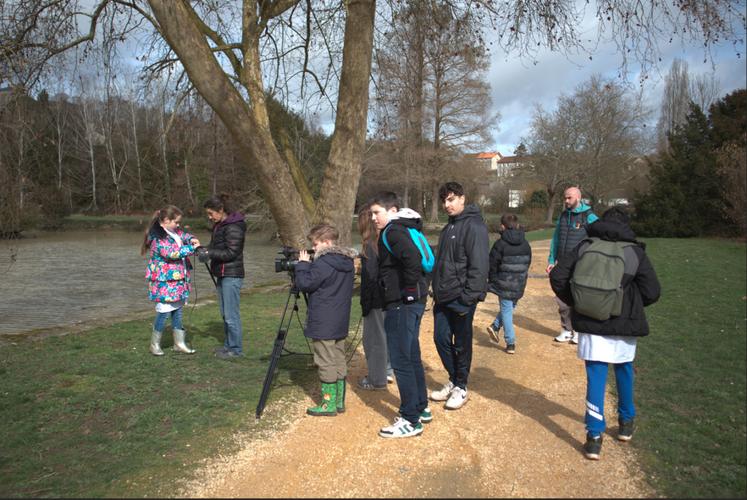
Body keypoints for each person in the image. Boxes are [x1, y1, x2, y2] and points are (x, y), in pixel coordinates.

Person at [549, 207, 661, 460]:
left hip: (591, 324)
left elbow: (558, 276)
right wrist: (627, 303)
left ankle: (594, 437)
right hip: (624, 325)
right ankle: (626, 424)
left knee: (596, 377)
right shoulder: (634, 252)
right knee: (624, 372)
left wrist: (579, 302)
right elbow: (652, 291)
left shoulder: (585, 246)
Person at [370, 192, 431, 438]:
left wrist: (406, 292)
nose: (373, 218)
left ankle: (410, 419)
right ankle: (421, 406)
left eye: (377, 212)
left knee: (401, 360)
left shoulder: (393, 231)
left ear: (392, 210)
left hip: (402, 304)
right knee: (412, 356)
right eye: (371, 214)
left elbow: (413, 259)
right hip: (413, 301)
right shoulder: (405, 229)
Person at [429, 182, 489, 410]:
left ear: (463, 198)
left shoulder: (474, 226)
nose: (447, 205)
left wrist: (469, 297)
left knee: (462, 343)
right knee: (440, 338)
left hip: (461, 298)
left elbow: (480, 265)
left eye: (451, 199)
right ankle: (454, 379)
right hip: (443, 296)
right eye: (444, 200)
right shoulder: (448, 229)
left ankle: (461, 386)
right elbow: (442, 264)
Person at [295, 224, 356, 416]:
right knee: (338, 358)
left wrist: (303, 265)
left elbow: (305, 283)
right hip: (339, 319)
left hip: (323, 320)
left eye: (316, 243)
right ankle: (339, 401)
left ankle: (328, 405)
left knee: (325, 360)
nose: (314, 248)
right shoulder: (347, 262)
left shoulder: (323, 263)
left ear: (327, 242)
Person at [141, 205, 200, 356]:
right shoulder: (157, 238)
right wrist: (192, 249)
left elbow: (184, 235)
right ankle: (154, 345)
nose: (178, 225)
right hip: (164, 282)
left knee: (178, 311)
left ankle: (179, 343)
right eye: (176, 222)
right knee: (164, 312)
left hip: (178, 280)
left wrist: (192, 238)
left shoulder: (174, 231)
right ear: (166, 220)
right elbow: (172, 253)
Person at [546, 186, 598, 344]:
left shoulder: (589, 216)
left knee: (578, 298)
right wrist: (551, 260)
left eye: (569, 198)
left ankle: (579, 332)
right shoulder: (562, 216)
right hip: (562, 264)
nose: (566, 200)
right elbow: (556, 239)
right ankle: (566, 330)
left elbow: (599, 237)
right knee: (562, 298)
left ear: (578, 197)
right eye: (565, 198)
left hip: (580, 265)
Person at [198, 194, 247, 360]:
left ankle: (236, 350)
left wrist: (210, 253)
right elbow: (215, 247)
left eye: (211, 213)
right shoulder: (220, 226)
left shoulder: (234, 227)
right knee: (225, 314)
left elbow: (232, 252)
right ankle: (228, 347)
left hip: (232, 275)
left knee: (231, 315)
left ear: (221, 210)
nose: (210, 217)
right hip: (222, 273)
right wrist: (202, 249)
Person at [356, 203, 395, 391]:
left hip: (376, 301)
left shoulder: (369, 246)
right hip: (387, 300)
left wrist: (367, 304)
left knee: (374, 340)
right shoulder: (382, 241)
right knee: (385, 337)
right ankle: (386, 371)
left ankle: (376, 379)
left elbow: (372, 278)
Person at [485, 213, 532, 354]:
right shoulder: (526, 244)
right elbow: (528, 262)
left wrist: (492, 280)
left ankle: (510, 342)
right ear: (517, 224)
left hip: (504, 283)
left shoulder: (500, 244)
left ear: (502, 226)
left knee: (507, 311)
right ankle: (494, 326)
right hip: (519, 282)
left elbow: (492, 264)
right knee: (509, 308)